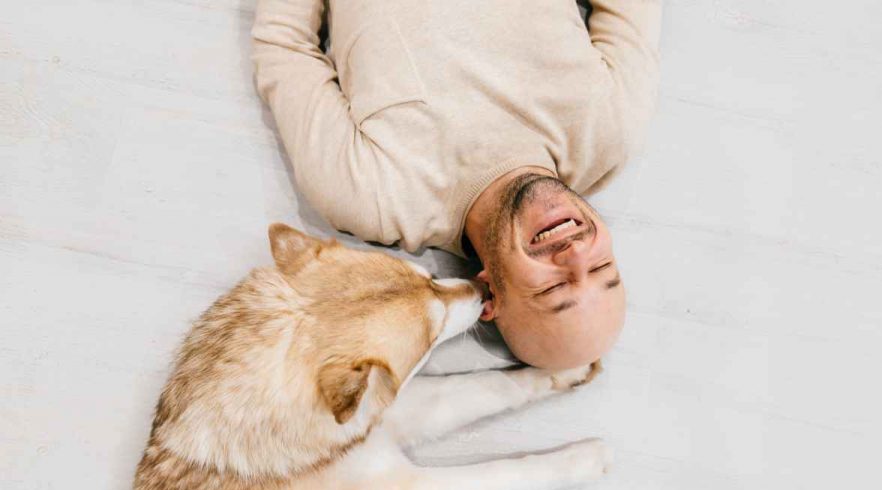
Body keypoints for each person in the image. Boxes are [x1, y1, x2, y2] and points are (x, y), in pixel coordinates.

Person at [251, 0, 661, 369]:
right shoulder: (610, 132)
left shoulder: (376, 196)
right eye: (602, 266)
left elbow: (284, 47)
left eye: (554, 287)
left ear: (488, 295)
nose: (575, 255)